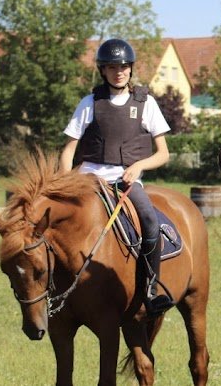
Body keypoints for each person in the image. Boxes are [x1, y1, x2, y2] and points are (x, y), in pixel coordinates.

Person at [60, 38, 174, 317]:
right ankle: (53, 286)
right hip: (87, 180)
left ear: (131, 69)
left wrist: (138, 167)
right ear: (103, 70)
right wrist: (64, 185)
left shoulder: (145, 103)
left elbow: (164, 154)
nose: (118, 72)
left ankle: (150, 289)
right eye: (112, 67)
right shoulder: (89, 103)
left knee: (148, 220)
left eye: (123, 66)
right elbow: (68, 152)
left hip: (126, 181)